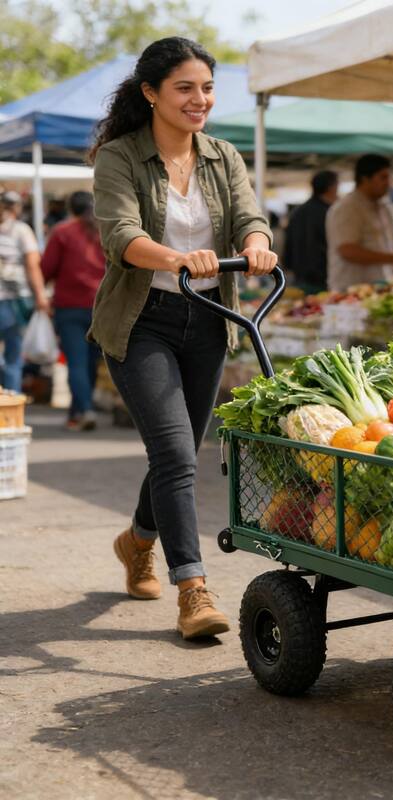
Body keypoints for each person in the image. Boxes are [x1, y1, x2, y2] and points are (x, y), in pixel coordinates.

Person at [86, 37, 277, 640]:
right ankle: (192, 589)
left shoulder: (223, 155)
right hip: (142, 320)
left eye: (208, 88)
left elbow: (248, 216)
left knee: (181, 453)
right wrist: (177, 257)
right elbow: (120, 234)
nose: (201, 100)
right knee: (173, 454)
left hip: (209, 319)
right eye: (185, 88)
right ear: (151, 94)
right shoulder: (119, 156)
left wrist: (254, 245)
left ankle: (137, 542)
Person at [41, 191, 105, 430]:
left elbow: (46, 268)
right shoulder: (103, 230)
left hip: (69, 306)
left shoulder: (62, 231)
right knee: (90, 362)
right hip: (101, 306)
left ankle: (85, 409)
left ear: (71, 208)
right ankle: (77, 411)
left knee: (76, 362)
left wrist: (42, 294)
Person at [326, 154, 393, 292]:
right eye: (383, 177)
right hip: (352, 291)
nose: (388, 183)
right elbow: (348, 251)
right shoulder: (347, 208)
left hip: (383, 285)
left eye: (389, 177)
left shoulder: (385, 206)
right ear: (365, 178)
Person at [0, 191, 49, 393]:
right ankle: (10, 409)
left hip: (10, 299)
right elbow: (32, 265)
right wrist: (40, 296)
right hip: (13, 300)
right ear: (16, 207)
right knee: (13, 355)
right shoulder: (21, 230)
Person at [283, 170, 338, 294]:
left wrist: (288, 267)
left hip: (299, 275)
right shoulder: (330, 213)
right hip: (323, 276)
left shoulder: (297, 212)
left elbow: (288, 244)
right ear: (331, 187)